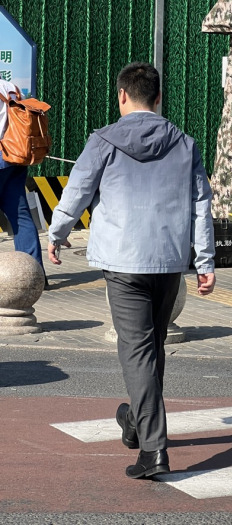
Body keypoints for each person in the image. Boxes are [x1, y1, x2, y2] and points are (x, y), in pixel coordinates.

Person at [47, 62, 215, 479]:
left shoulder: (104, 139)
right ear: (158, 98)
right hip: (169, 260)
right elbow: (201, 206)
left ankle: (154, 451)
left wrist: (57, 232)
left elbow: (79, 188)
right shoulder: (185, 143)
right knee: (151, 348)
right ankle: (137, 422)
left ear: (122, 95)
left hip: (123, 261)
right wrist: (205, 262)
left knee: (137, 350)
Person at [0, 79, 46, 277]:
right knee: (20, 216)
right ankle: (34, 275)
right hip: (16, 156)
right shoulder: (11, 87)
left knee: (20, 215)